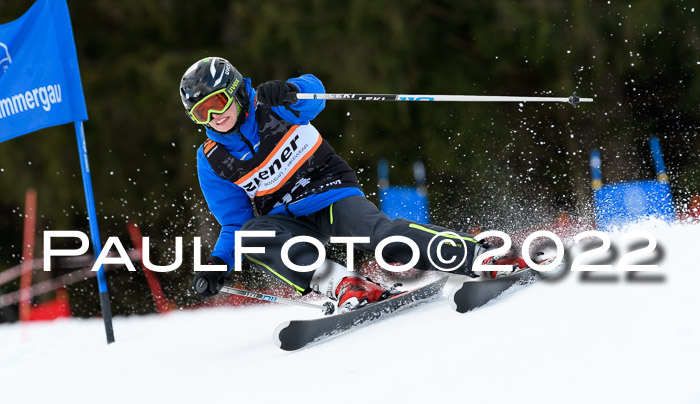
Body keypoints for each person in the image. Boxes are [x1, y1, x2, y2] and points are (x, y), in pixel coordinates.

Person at [181, 57, 494, 312]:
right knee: (252, 236)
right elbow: (234, 223)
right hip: (286, 221)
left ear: (235, 90)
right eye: (201, 113)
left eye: (218, 103)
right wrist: (218, 263)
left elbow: (314, 94)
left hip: (328, 192)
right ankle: (345, 284)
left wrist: (290, 90)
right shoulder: (211, 158)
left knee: (383, 238)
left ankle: (478, 255)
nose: (214, 117)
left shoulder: (272, 106)